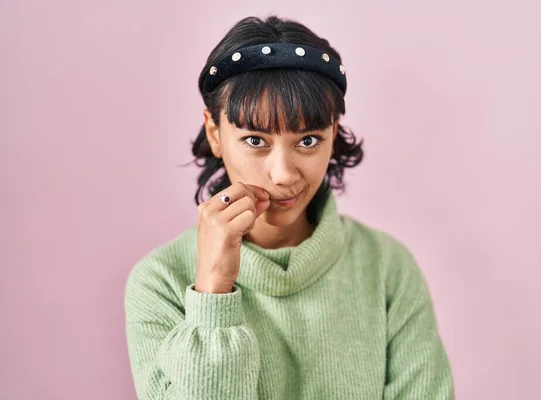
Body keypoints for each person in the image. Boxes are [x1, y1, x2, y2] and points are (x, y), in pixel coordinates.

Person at [124, 15, 455, 400]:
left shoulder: (388, 268)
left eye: (309, 140)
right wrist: (212, 294)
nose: (282, 175)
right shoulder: (159, 281)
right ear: (215, 133)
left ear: (334, 133)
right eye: (254, 140)